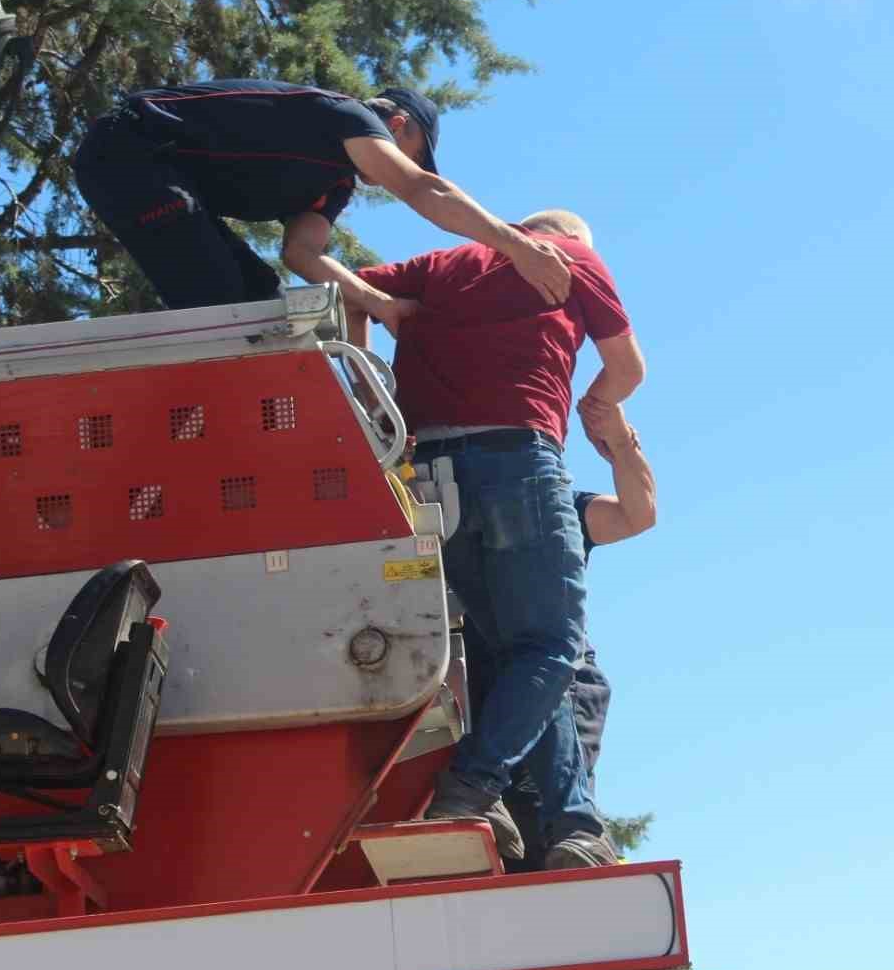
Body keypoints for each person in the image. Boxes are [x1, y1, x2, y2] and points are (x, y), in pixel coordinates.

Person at [350, 209, 644, 869]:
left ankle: (576, 828)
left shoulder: (440, 265)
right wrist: (595, 411)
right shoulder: (573, 258)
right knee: (553, 647)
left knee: (520, 656)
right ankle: (470, 787)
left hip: (428, 476)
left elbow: (349, 288)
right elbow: (627, 368)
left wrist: (375, 402)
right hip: (517, 459)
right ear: (568, 237)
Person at [72, 80, 570, 326]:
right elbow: (424, 190)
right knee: (222, 298)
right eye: (414, 156)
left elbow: (302, 255)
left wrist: (383, 306)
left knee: (259, 291)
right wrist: (515, 246)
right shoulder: (346, 116)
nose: (408, 169)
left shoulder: (336, 186)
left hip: (166, 181)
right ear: (398, 126)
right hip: (128, 150)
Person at [494, 400, 657, 870]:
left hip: (560, 684)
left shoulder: (559, 509)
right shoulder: (455, 501)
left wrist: (622, 448)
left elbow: (637, 514)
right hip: (489, 688)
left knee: (542, 813)